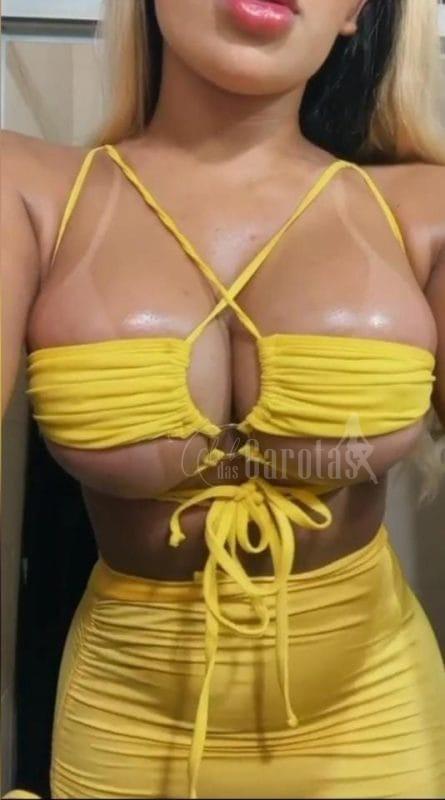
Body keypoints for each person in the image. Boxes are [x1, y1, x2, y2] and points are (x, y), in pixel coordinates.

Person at [2, 0, 445, 797]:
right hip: (124, 729)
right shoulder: (29, 194)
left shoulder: (425, 211)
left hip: (375, 721)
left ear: (355, 13)